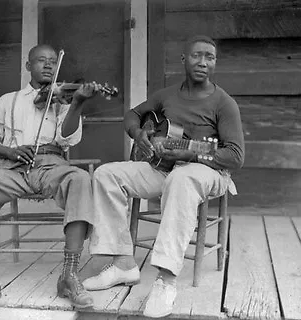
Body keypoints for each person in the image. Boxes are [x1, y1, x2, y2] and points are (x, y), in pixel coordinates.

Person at [83, 35, 245, 318]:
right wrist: (139, 133)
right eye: (197, 56)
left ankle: (166, 281)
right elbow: (133, 114)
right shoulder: (166, 95)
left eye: (210, 57)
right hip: (163, 168)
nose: (203, 62)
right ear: (184, 59)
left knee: (181, 180)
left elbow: (235, 155)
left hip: (208, 171)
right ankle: (123, 264)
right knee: (106, 174)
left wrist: (191, 155)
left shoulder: (224, 103)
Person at [0, 44, 101, 317]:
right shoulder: (8, 100)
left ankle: (69, 275)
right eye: (41, 60)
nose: (48, 65)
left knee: (80, 179)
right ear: (28, 66)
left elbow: (68, 138)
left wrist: (77, 102)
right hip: (13, 168)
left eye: (53, 62)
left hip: (51, 165)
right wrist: (8, 151)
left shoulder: (64, 101)